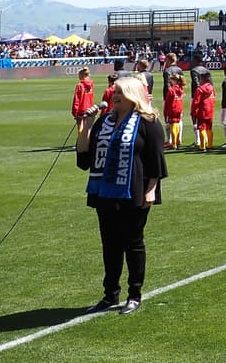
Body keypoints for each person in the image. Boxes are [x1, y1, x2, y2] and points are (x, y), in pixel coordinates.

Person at [75, 76, 168, 315]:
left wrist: (150, 191)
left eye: (120, 92)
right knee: (110, 245)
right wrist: (85, 126)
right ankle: (110, 294)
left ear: (132, 94)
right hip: (104, 193)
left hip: (134, 192)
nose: (114, 95)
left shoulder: (149, 122)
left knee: (133, 244)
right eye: (114, 92)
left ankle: (134, 294)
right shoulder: (103, 121)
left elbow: (155, 160)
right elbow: (84, 158)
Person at [193, 68, 216, 152]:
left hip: (202, 111)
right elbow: (214, 99)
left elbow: (196, 102)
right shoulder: (212, 88)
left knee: (202, 128)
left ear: (202, 79)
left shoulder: (200, 89)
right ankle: (210, 145)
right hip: (210, 110)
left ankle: (202, 146)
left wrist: (193, 112)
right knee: (209, 128)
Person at [162, 72, 184, 149]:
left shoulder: (171, 90)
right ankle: (178, 141)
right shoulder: (181, 89)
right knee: (177, 125)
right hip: (179, 108)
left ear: (174, 80)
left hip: (172, 109)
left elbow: (167, 102)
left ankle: (173, 143)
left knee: (173, 126)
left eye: (171, 79)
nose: (170, 81)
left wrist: (165, 113)